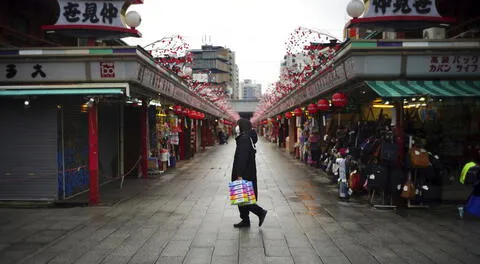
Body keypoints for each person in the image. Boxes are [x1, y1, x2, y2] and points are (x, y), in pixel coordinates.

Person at [231, 118, 267, 228]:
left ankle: (260, 212)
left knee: (243, 197)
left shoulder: (245, 139)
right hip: (248, 171)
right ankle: (245, 220)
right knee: (241, 197)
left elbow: (242, 157)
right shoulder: (247, 137)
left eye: (238, 125)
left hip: (244, 172)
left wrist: (239, 174)